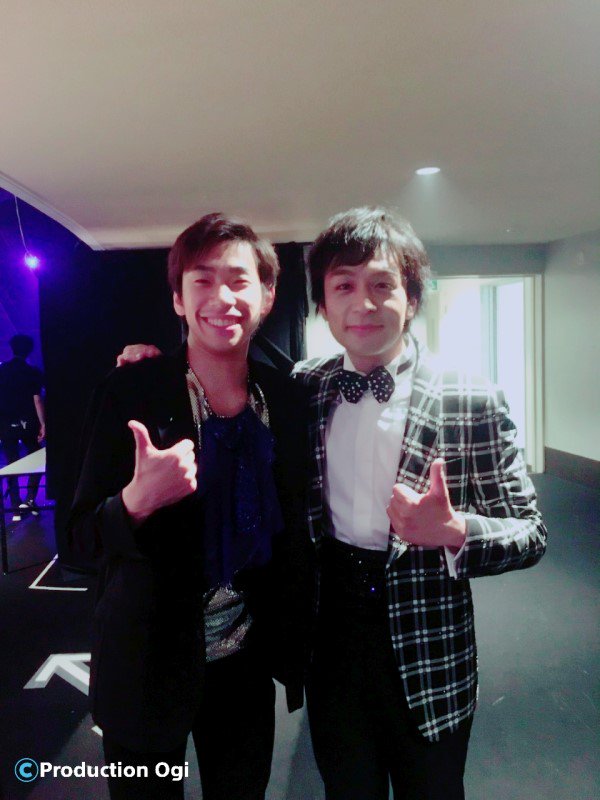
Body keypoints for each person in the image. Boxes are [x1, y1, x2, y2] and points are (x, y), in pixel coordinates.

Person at [118, 206, 548, 800]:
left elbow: (530, 531)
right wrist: (151, 365)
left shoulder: (471, 397)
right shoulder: (306, 385)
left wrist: (455, 531)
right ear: (321, 304)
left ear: (411, 298)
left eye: (382, 285)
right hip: (328, 639)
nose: (363, 305)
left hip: (427, 646)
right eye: (343, 286)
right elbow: (217, 372)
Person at [68, 213, 308, 800]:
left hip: (244, 666)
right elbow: (76, 540)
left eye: (239, 280)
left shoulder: (285, 396)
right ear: (178, 299)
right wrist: (135, 502)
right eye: (202, 280)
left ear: (267, 296)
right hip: (144, 664)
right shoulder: (131, 390)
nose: (222, 298)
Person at [0, 333, 46, 522]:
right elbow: (37, 400)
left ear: (11, 348)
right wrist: (43, 423)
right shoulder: (32, 372)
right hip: (29, 422)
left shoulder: (2, 370)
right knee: (36, 458)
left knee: (11, 462)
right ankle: (30, 500)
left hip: (6, 422)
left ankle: (15, 508)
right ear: (29, 350)